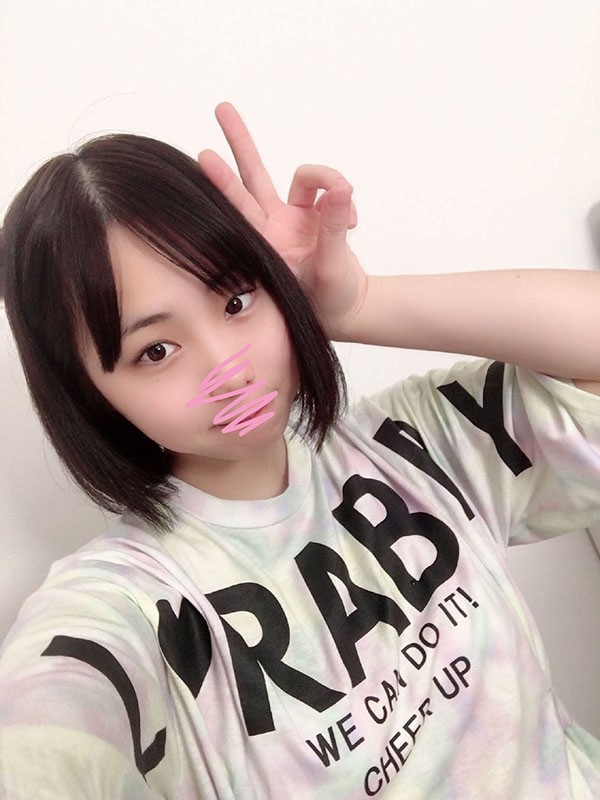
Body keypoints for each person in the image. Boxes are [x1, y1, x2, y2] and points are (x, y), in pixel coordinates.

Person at [0, 102, 599, 799]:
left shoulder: (415, 444)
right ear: (89, 392)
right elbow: (46, 737)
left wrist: (359, 304)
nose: (229, 368)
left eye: (236, 301)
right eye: (156, 350)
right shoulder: (129, 606)